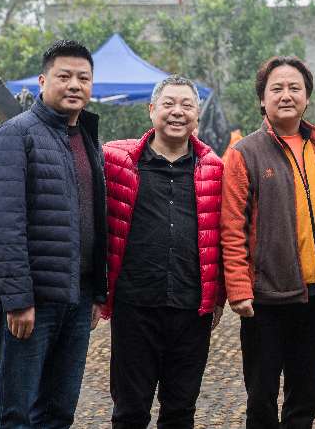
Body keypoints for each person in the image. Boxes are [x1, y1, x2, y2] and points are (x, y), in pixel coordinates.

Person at [221, 55, 315, 429]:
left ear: (307, 96)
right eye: (276, 88)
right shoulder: (245, 153)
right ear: (262, 99)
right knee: (261, 395)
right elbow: (232, 227)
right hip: (266, 297)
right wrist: (239, 288)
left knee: (306, 394)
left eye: (295, 87)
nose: (286, 95)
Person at [0, 40, 107, 427]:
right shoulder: (16, 134)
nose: (74, 85)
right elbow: (3, 224)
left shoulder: (87, 138)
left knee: (58, 411)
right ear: (42, 81)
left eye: (83, 78)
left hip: (78, 296)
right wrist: (18, 300)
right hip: (33, 300)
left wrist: (96, 293)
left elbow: (95, 218)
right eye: (64, 76)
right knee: (15, 412)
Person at [102, 76, 225, 428]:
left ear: (197, 115)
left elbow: (224, 235)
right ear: (151, 109)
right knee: (130, 409)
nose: (177, 112)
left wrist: (218, 296)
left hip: (191, 307)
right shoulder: (118, 162)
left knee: (180, 409)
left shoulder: (214, 169)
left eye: (186, 105)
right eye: (168, 103)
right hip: (134, 305)